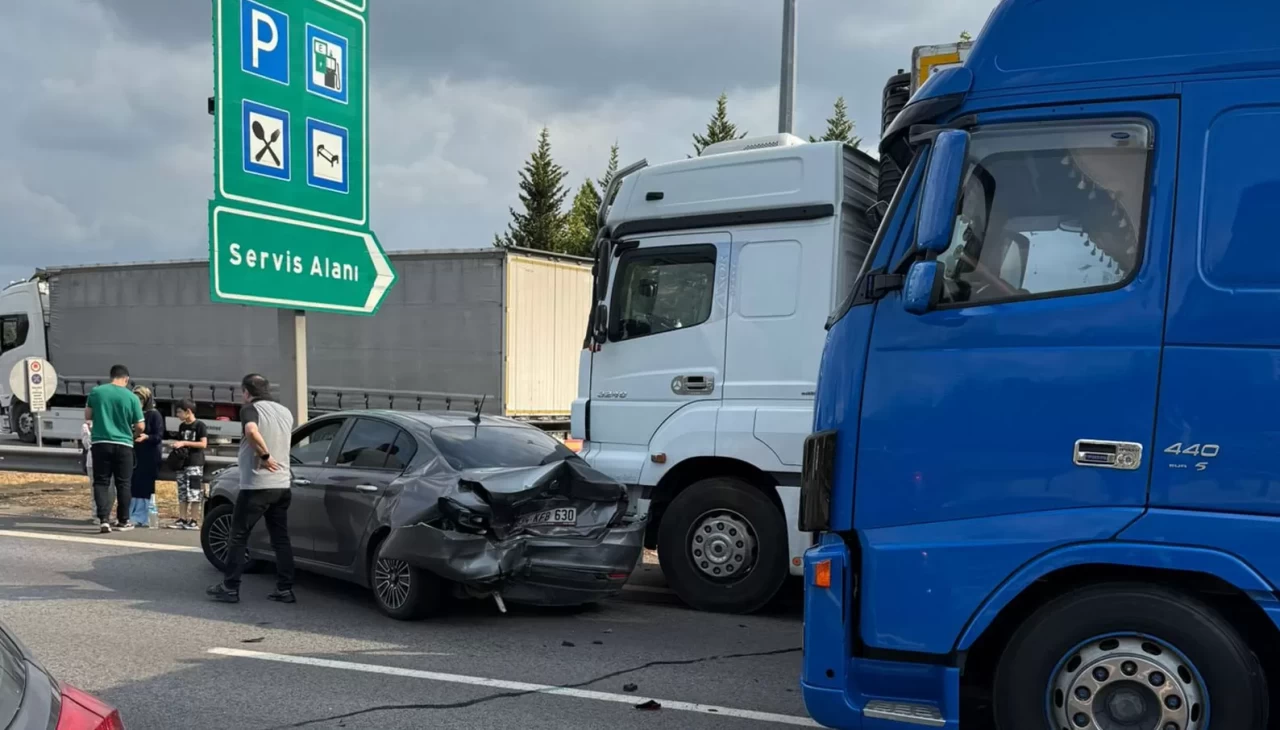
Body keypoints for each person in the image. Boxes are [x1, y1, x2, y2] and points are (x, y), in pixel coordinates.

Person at [208, 374, 296, 604]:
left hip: (257, 485)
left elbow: (251, 431)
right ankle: (285, 588)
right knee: (280, 538)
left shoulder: (250, 409)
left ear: (246, 392)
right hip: (281, 484)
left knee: (238, 536)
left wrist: (265, 456)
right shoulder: (285, 412)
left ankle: (230, 587)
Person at [85, 365, 144, 533]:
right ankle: (123, 520)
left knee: (101, 481)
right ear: (126, 379)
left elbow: (88, 416)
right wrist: (133, 435)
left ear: (111, 376)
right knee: (123, 483)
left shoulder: (96, 392)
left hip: (101, 443)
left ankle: (103, 519)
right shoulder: (132, 397)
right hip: (124, 444)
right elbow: (140, 425)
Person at [168, 400, 208, 530]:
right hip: (182, 462)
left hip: (194, 462)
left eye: (179, 412)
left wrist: (185, 443)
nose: (178, 415)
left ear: (188, 411)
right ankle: (182, 518)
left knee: (194, 492)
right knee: (182, 492)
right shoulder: (182, 426)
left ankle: (194, 520)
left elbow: (203, 444)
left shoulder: (200, 425)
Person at [129, 386, 164, 528]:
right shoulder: (133, 414)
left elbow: (159, 435)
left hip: (150, 455)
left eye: (140, 399)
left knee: (145, 486)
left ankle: (143, 516)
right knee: (133, 485)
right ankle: (132, 514)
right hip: (135, 454)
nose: (138, 402)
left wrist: (146, 437)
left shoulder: (154, 415)